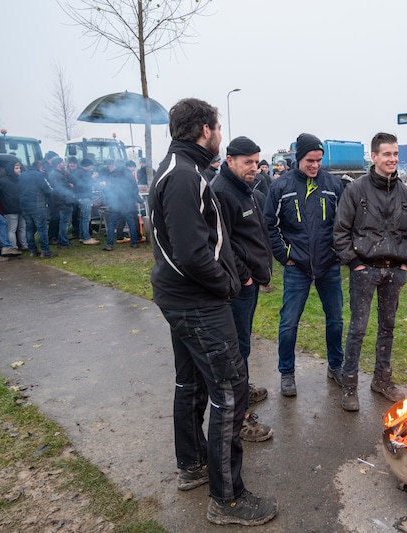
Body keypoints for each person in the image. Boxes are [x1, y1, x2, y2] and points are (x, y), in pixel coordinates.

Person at [149, 97, 277, 526]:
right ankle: (228, 498)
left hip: (182, 298)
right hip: (198, 302)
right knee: (228, 389)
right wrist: (226, 284)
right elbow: (192, 252)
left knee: (190, 383)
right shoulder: (184, 176)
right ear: (205, 129)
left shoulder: (177, 169)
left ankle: (192, 466)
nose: (219, 133)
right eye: (218, 127)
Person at [333, 132, 407, 411]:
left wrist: (405, 263)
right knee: (357, 329)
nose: (392, 159)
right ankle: (349, 384)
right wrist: (354, 263)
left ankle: (382, 379)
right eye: (387, 154)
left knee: (388, 327)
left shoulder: (406, 193)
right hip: (364, 271)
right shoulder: (356, 190)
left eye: (395, 154)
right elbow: (341, 231)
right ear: (374, 157)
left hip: (394, 271)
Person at [263, 133, 345, 397]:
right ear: (298, 158)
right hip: (296, 266)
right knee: (289, 322)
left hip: (328, 264)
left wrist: (337, 251)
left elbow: (344, 222)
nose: (315, 165)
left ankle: (336, 365)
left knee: (335, 319)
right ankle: (287, 373)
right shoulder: (281, 187)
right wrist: (283, 254)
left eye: (319, 160)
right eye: (310, 160)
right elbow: (269, 225)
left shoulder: (333, 184)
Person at [210, 136, 274, 442]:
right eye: (247, 162)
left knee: (243, 344)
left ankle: (242, 389)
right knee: (238, 349)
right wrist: (247, 276)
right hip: (237, 287)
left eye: (256, 161)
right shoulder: (222, 192)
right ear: (229, 160)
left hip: (248, 283)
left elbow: (253, 232)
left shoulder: (243, 188)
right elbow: (223, 243)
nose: (254, 168)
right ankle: (242, 416)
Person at [102, 160, 142, 251]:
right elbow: (135, 191)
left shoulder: (111, 175)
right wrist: (136, 200)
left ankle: (109, 244)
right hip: (127, 203)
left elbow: (106, 190)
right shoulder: (130, 176)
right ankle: (134, 243)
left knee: (111, 224)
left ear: (115, 166)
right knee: (131, 222)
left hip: (115, 203)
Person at [18, 160, 56, 258]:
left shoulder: (22, 175)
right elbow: (47, 189)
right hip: (37, 205)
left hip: (24, 205)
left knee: (29, 229)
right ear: (40, 167)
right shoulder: (39, 175)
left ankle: (33, 251)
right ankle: (45, 251)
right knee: (41, 229)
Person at [0, 160, 27, 250]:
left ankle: (14, 246)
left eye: (19, 168)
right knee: (19, 228)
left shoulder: (2, 181)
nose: (19, 170)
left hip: (11, 208)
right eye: (16, 168)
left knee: (13, 229)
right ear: (11, 169)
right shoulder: (21, 180)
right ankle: (23, 245)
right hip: (17, 208)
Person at [71, 159, 100, 245]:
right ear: (87, 165)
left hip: (81, 197)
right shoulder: (82, 173)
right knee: (86, 218)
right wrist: (92, 178)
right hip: (84, 197)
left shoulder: (78, 172)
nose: (92, 167)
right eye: (91, 165)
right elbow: (84, 184)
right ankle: (86, 238)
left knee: (83, 218)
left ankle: (83, 236)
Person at [47, 158, 75, 248]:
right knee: (64, 223)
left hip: (60, 202)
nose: (64, 164)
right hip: (63, 202)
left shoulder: (56, 174)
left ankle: (61, 239)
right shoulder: (57, 175)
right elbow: (60, 190)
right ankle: (64, 241)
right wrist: (67, 200)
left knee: (62, 222)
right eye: (62, 162)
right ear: (58, 164)